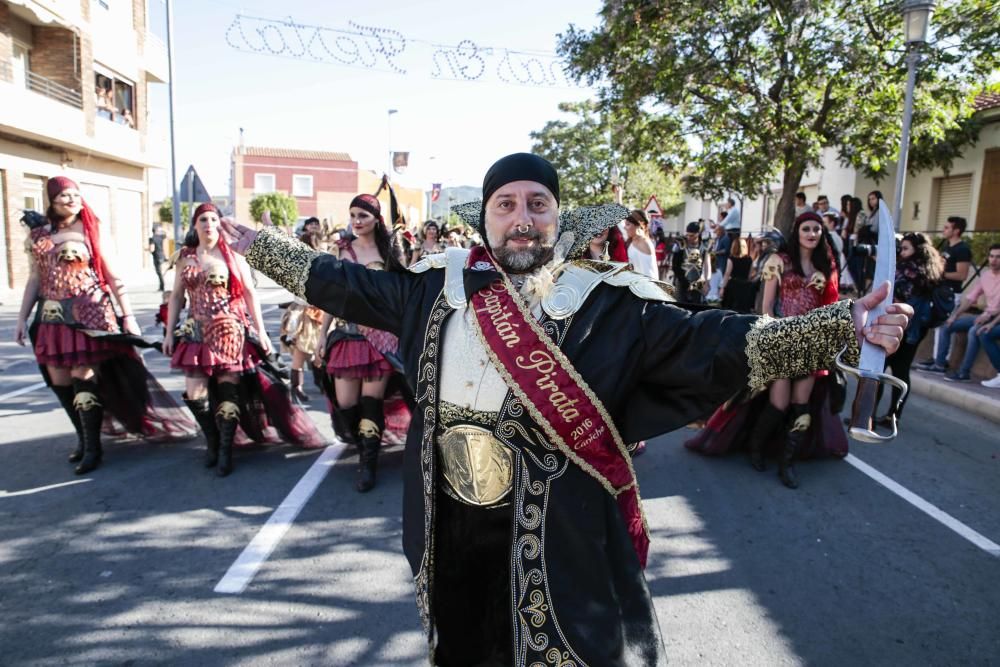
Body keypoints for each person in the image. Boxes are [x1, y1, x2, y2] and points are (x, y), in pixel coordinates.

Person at [221, 152, 909, 665]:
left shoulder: (610, 301)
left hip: (560, 531)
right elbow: (347, 287)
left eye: (538, 203)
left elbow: (713, 341)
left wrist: (836, 327)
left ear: (561, 216)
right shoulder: (434, 290)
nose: (522, 219)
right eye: (506, 205)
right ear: (486, 219)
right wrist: (263, 248)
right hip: (451, 523)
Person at [14, 176, 196, 473]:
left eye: (75, 194)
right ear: (52, 200)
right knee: (60, 381)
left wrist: (128, 316)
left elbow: (112, 276)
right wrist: (22, 318)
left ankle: (93, 449)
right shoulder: (39, 235)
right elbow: (35, 278)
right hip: (51, 319)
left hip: (90, 314)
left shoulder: (90, 229)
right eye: (64, 195)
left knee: (83, 374)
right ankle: (84, 437)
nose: (71, 199)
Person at [687, 212, 847, 488]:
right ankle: (756, 449)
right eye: (806, 229)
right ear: (797, 232)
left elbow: (829, 307)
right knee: (778, 403)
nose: (812, 234)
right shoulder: (779, 261)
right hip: (783, 341)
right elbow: (767, 305)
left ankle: (787, 463)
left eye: (816, 230)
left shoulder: (826, 265)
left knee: (802, 407)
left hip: (810, 345)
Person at [163, 204, 321, 476]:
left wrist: (260, 332)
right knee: (194, 393)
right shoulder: (184, 257)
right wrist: (169, 331)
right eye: (203, 219)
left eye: (214, 219)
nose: (209, 223)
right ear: (195, 225)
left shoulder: (232, 255)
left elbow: (249, 294)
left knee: (228, 391)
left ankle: (224, 450)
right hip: (195, 332)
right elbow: (176, 296)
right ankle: (212, 440)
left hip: (229, 331)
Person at [314, 194, 410, 492]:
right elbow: (333, 297)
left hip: (380, 338)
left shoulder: (391, 249)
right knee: (346, 403)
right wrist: (321, 335)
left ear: (376, 219)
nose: (357, 221)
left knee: (371, 403)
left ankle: (368, 463)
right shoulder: (341, 251)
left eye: (363, 216)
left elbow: (403, 294)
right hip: (347, 337)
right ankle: (362, 444)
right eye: (353, 215)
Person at [875, 233, 944, 428]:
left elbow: (892, 294)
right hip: (915, 329)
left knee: (877, 370)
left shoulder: (908, 270)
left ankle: (867, 415)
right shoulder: (931, 271)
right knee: (901, 372)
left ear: (917, 250)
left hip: (898, 325)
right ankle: (893, 417)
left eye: (905, 248)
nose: (901, 252)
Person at [924, 244, 1000, 382]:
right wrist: (954, 315)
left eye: (998, 257)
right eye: (991, 256)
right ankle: (940, 364)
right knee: (947, 325)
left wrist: (988, 317)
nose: (994, 260)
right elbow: (970, 299)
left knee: (973, 331)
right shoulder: (986, 276)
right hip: (985, 316)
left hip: (994, 318)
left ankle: (963, 373)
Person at [278, 218, 326, 402]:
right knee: (301, 351)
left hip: (320, 313)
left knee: (318, 353)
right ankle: (297, 388)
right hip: (305, 313)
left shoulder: (323, 261)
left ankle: (319, 383)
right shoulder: (302, 264)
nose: (317, 248)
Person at [672, 221, 711, 304]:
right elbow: (675, 266)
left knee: (696, 307)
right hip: (682, 281)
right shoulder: (680, 244)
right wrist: (685, 283)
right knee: (680, 307)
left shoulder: (704, 245)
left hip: (698, 281)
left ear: (698, 233)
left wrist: (706, 283)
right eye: (688, 235)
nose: (689, 237)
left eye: (692, 235)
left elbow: (707, 265)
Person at [719, 236, 755, 313]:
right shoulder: (749, 259)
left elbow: (727, 274)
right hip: (745, 287)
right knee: (743, 311)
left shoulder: (731, 259)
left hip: (733, 286)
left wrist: (722, 287)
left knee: (730, 310)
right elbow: (749, 275)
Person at [623, 209, 658, 281]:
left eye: (628, 224)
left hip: (645, 287)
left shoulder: (643, 242)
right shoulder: (633, 240)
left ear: (638, 225)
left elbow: (648, 272)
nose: (624, 227)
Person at [706, 222, 732, 303]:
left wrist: (716, 252)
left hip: (722, 260)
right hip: (716, 260)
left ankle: (720, 295)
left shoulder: (725, 238)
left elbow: (726, 250)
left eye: (716, 231)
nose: (715, 233)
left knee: (721, 276)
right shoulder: (718, 238)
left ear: (721, 231)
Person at [148, 223, 167, 291]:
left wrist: (147, 249)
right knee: (161, 272)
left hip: (156, 257)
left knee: (159, 272)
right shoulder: (161, 237)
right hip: (162, 255)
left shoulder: (152, 239)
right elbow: (166, 234)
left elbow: (152, 249)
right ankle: (162, 286)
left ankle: (162, 286)